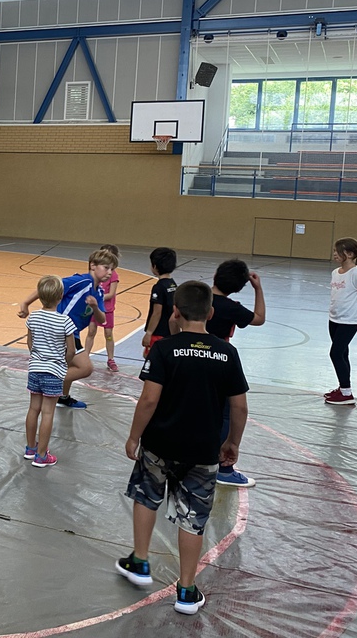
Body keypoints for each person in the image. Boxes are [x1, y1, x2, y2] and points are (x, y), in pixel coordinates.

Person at [116, 280, 249, 616]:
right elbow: (239, 406)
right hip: (203, 452)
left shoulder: (165, 350)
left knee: (146, 495)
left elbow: (149, 399)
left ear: (175, 312)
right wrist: (232, 442)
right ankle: (187, 589)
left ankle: (140, 561)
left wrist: (134, 436)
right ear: (211, 313)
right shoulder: (227, 353)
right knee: (193, 518)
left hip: (159, 445)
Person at [17, 248, 118, 409]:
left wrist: (95, 307)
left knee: (70, 364)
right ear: (93, 266)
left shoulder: (98, 292)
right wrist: (26, 303)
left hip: (71, 332)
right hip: (59, 330)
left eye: (112, 269)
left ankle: (61, 396)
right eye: (106, 268)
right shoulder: (81, 281)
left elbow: (102, 319)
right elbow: (51, 286)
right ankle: (46, 382)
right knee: (85, 368)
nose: (110, 273)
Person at [204, 259, 265, 488]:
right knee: (227, 413)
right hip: (219, 360)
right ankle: (224, 468)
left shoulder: (198, 297)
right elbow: (259, 318)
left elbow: (173, 320)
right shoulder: (231, 307)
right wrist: (258, 289)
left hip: (189, 355)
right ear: (239, 287)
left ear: (215, 275)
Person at [24, 275, 76, 467]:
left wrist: (37, 357)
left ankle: (30, 448)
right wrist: (63, 363)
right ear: (61, 296)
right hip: (53, 371)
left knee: (33, 409)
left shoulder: (33, 317)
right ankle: (41, 455)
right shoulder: (65, 321)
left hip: (35, 368)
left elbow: (30, 342)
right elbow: (71, 350)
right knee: (48, 413)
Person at [325, 237, 357, 405]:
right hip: (334, 318)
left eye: (338, 251)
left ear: (350, 254)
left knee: (335, 353)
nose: (334, 254)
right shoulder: (335, 273)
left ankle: (346, 393)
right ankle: (343, 388)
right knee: (343, 353)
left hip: (350, 320)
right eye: (334, 251)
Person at [84, 244, 120, 372]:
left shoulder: (113, 275)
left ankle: (111, 359)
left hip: (107, 309)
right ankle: (85, 357)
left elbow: (111, 294)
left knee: (108, 334)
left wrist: (97, 298)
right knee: (91, 331)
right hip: (94, 308)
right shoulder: (94, 273)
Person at [141, 247, 177, 358]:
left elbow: (157, 312)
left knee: (150, 357)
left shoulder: (158, 287)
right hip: (170, 332)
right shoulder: (173, 285)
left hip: (159, 332)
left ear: (155, 267)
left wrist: (149, 333)